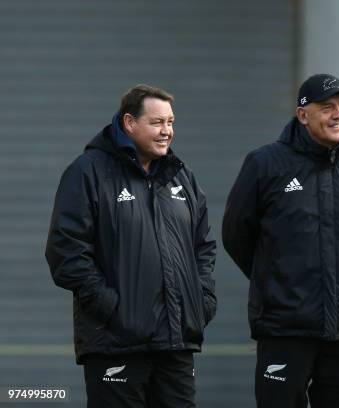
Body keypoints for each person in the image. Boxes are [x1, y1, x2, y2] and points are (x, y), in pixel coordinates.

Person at [45, 84, 216, 408]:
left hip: (176, 342)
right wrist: (113, 308)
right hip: (115, 343)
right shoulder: (88, 172)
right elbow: (65, 250)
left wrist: (201, 298)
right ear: (129, 123)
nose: (167, 131)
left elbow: (204, 246)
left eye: (170, 122)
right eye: (157, 123)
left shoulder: (182, 177)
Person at [222, 74, 339, 408]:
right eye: (327, 107)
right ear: (302, 115)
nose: (338, 114)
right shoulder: (265, 164)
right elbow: (236, 235)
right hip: (286, 328)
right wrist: (276, 281)